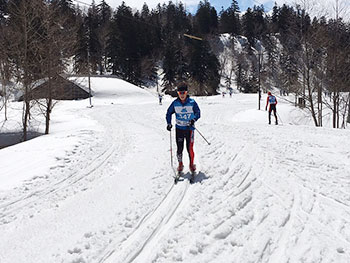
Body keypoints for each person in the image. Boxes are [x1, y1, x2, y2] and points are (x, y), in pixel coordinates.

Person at [166, 83, 201, 173]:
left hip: (190, 130)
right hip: (179, 129)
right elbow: (169, 113)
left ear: (186, 92)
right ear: (177, 93)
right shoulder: (175, 103)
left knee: (189, 148)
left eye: (183, 92)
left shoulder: (192, 102)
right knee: (179, 148)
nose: (182, 94)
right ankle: (180, 164)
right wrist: (169, 123)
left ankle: (191, 164)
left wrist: (193, 119)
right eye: (180, 93)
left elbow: (198, 112)